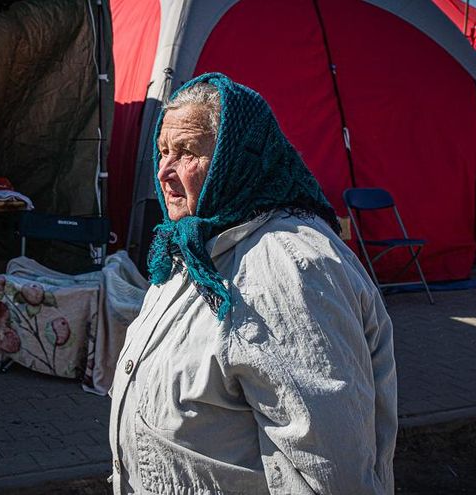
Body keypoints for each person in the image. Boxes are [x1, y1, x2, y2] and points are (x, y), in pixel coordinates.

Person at [108, 73, 397, 494]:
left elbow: (327, 471)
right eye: (162, 151)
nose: (165, 171)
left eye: (186, 152)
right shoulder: (194, 246)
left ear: (237, 157)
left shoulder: (289, 269)